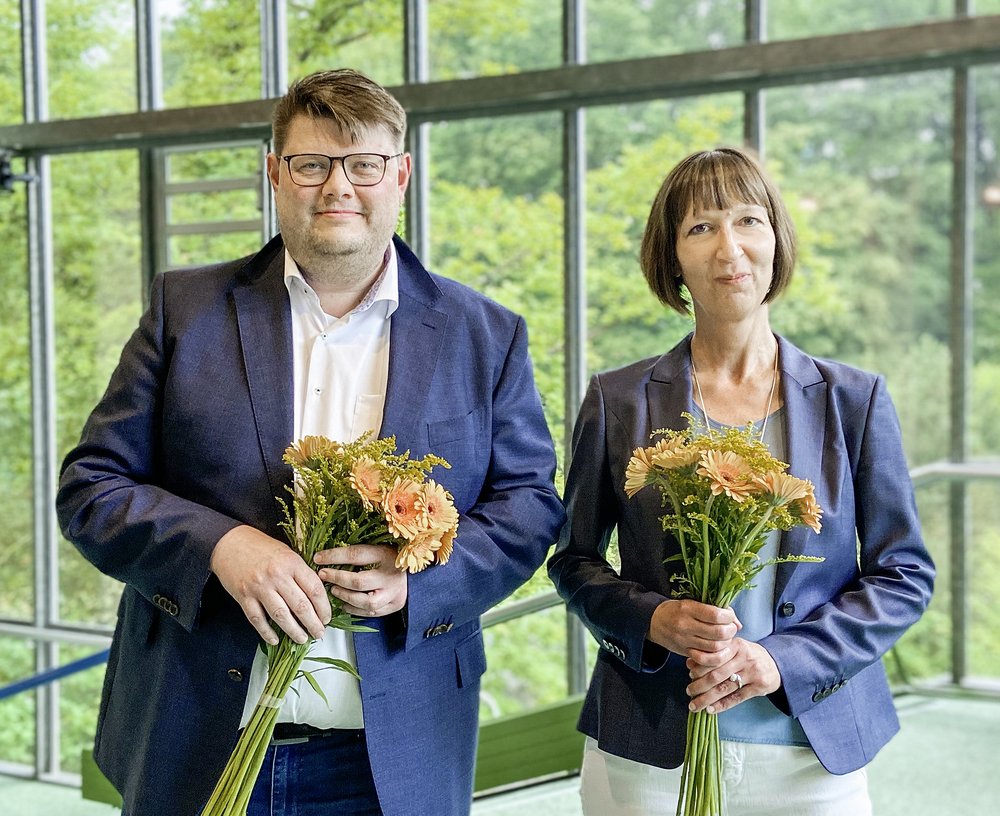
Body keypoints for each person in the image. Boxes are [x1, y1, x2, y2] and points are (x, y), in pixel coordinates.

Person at [57, 68, 564, 816]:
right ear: (274, 173)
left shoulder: (484, 333)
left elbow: (529, 505)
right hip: (195, 738)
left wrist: (417, 581)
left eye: (364, 165)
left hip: (395, 758)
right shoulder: (184, 310)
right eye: (311, 164)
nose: (338, 187)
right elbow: (91, 489)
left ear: (401, 175)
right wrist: (220, 547)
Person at [547, 146, 935, 815]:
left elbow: (904, 575)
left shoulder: (854, 400)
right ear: (672, 259)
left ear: (776, 240)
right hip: (650, 749)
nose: (730, 247)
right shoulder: (619, 401)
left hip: (811, 755)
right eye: (701, 227)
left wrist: (783, 661)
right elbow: (574, 561)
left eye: (749, 221)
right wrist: (652, 619)